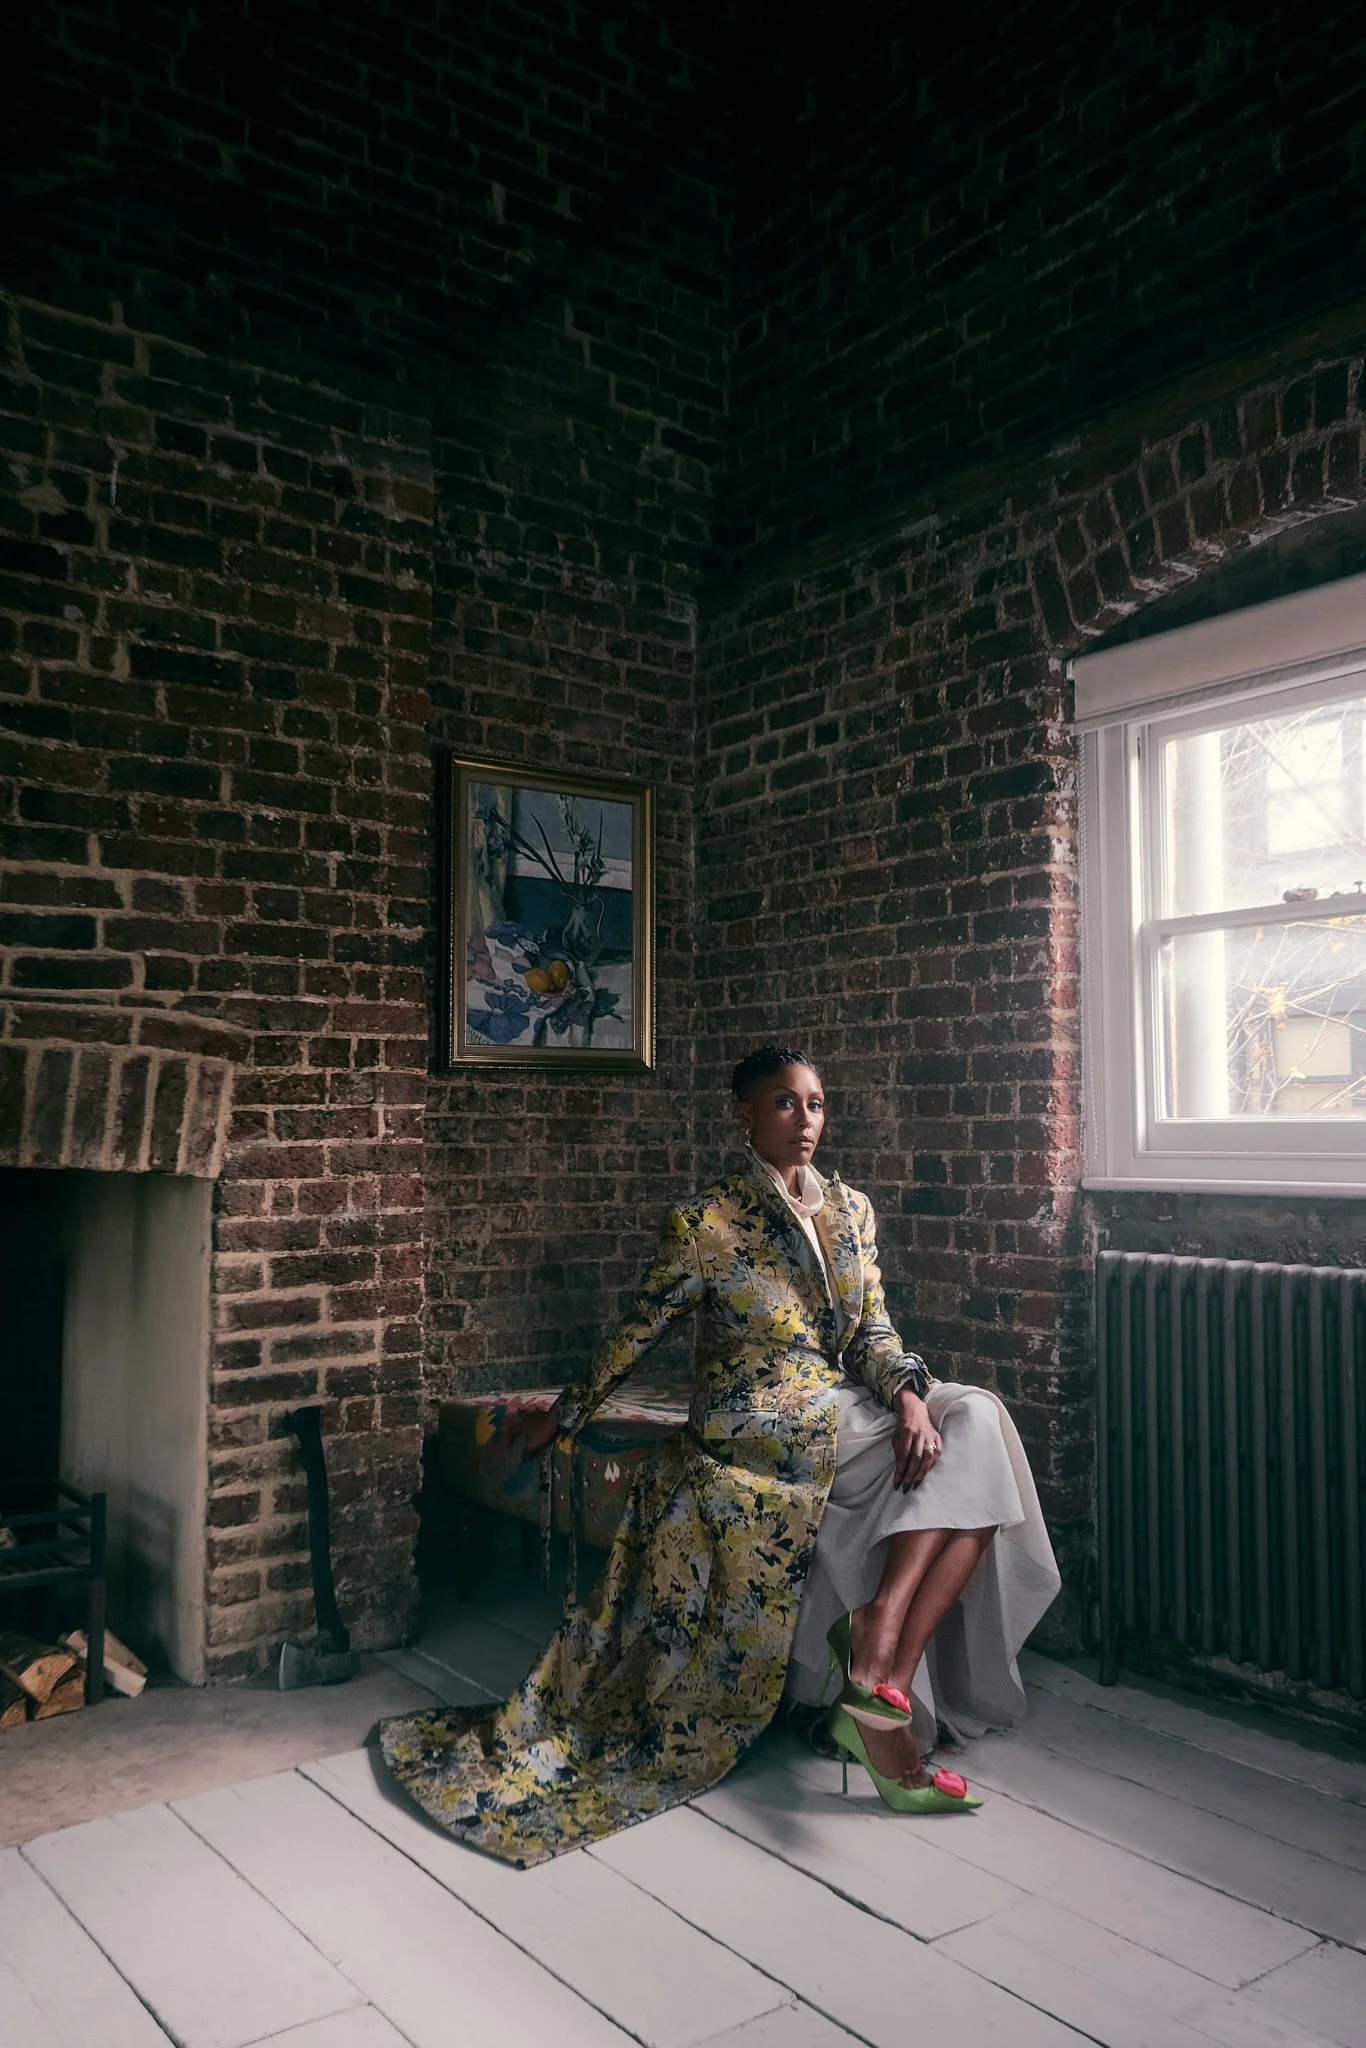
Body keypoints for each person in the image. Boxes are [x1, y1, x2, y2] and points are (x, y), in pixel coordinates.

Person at [379, 1046, 1059, 1864]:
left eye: (814, 1104)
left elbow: (874, 1332)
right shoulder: (706, 1223)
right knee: (968, 1448)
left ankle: (881, 1658)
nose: (803, 1121)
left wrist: (912, 1397)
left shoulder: (852, 1210)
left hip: (845, 1404)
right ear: (744, 1115)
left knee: (975, 1420)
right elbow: (638, 1332)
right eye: (782, 1104)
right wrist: (562, 1418)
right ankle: (878, 1665)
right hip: (756, 1420)